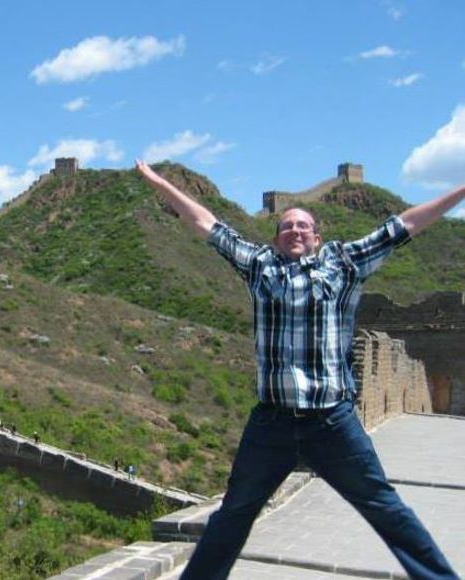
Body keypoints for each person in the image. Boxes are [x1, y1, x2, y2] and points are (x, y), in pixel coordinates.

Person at [136, 160, 462, 580]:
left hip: (332, 422)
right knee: (234, 513)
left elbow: (406, 225)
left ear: (317, 237)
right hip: (271, 423)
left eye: (303, 225)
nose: (295, 230)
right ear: (276, 239)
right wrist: (160, 184)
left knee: (384, 506)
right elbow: (205, 223)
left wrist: (460, 191)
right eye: (287, 226)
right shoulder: (259, 265)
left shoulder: (344, 263)